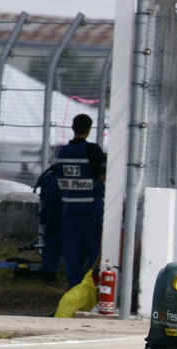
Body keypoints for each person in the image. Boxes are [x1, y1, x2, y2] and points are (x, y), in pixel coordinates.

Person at [56, 114, 105, 287]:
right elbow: (102, 175)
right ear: (89, 129)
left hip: (69, 208)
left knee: (72, 252)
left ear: (72, 127)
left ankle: (75, 287)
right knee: (94, 251)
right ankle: (93, 288)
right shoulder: (92, 150)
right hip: (90, 210)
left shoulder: (62, 152)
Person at [34, 166, 63, 281]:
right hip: (59, 191)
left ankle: (48, 270)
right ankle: (49, 271)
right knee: (56, 233)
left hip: (54, 188)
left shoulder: (52, 175)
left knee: (53, 233)